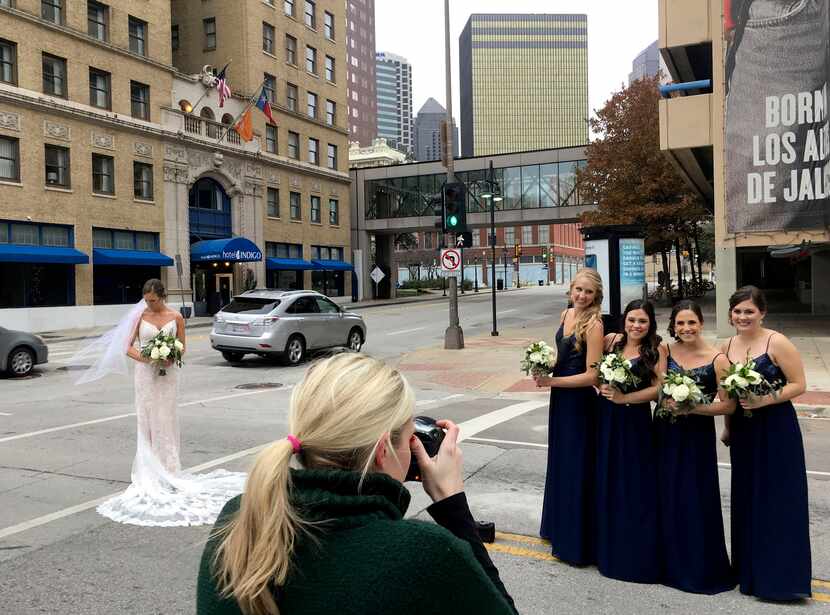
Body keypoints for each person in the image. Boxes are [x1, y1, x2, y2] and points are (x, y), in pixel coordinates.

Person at [197, 353, 518, 615]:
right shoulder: (423, 553)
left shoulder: (240, 519)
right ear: (382, 451)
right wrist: (452, 505)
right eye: (410, 440)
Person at [75, 279, 246, 526]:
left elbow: (183, 347)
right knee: (145, 417)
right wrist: (146, 357)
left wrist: (170, 357)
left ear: (162, 296)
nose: (149, 304)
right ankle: (149, 470)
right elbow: (126, 346)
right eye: (146, 300)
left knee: (165, 418)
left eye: (153, 300)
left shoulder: (176, 317)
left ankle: (169, 469)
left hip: (168, 375)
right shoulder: (139, 316)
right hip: (144, 374)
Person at [722, 286, 811, 600]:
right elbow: (729, 396)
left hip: (776, 428)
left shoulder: (777, 342)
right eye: (738, 311)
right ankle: (749, 571)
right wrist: (728, 427)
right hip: (744, 433)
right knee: (748, 498)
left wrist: (765, 400)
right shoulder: (728, 344)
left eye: (749, 311)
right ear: (731, 313)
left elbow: (799, 384)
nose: (743, 317)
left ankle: (781, 579)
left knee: (777, 499)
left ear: (762, 313)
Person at [655, 300, 735, 594]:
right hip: (665, 431)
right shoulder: (666, 351)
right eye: (680, 323)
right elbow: (659, 389)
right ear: (673, 326)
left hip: (696, 436)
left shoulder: (717, 359)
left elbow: (728, 404)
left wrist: (693, 408)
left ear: (701, 323)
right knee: (666, 493)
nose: (686, 328)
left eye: (691, 322)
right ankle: (667, 562)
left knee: (695, 496)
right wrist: (668, 402)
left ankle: (699, 565)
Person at [533, 268, 604, 565]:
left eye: (588, 292)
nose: (582, 296)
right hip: (561, 400)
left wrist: (553, 382)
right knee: (561, 461)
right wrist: (543, 367)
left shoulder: (595, 325)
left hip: (579, 404)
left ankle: (575, 540)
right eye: (579, 290)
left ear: (596, 295)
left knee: (576, 465)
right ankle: (557, 525)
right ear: (571, 289)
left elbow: (592, 376)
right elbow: (562, 358)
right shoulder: (565, 315)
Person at [595, 300, 664, 583]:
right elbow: (593, 371)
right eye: (632, 319)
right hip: (607, 419)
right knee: (608, 480)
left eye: (642, 321)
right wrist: (599, 385)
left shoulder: (655, 349)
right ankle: (607, 546)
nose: (636, 325)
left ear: (650, 324)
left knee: (633, 484)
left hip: (635, 421)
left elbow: (660, 388)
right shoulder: (611, 341)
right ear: (624, 320)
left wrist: (626, 398)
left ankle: (635, 551)